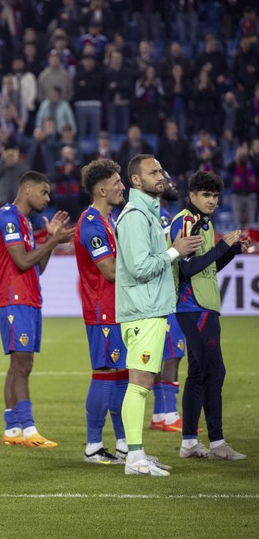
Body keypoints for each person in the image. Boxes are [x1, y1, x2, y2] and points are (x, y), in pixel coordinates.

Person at [114, 155, 202, 476]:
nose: (161, 176)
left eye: (161, 170)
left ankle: (137, 454)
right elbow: (139, 268)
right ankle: (134, 458)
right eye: (153, 172)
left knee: (143, 383)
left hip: (150, 309)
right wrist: (175, 250)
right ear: (136, 181)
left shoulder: (148, 214)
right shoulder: (135, 216)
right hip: (143, 310)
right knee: (138, 384)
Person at [169, 171, 252, 460]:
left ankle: (189, 443)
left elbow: (206, 268)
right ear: (192, 195)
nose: (212, 201)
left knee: (198, 374)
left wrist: (230, 253)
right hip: (194, 308)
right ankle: (217, 444)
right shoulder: (188, 221)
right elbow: (187, 269)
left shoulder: (202, 222)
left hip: (201, 306)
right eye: (206, 195)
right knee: (215, 372)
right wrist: (221, 246)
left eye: (215, 196)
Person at [0, 171, 75, 449]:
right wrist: (53, 241)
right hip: (15, 299)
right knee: (23, 364)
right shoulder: (8, 217)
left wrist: (49, 240)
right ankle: (29, 430)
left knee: (18, 366)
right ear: (27, 189)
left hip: (28, 298)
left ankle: (12, 430)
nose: (47, 198)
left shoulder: (24, 222)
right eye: (44, 192)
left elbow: (38, 267)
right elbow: (22, 261)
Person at [74, 159, 128, 464]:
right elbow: (108, 270)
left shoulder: (109, 220)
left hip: (116, 309)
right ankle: (93, 446)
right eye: (118, 182)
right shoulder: (92, 222)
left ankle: (122, 445)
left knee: (120, 375)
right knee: (105, 374)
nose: (122, 187)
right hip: (102, 311)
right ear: (102, 188)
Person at [151, 173, 188, 433]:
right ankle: (170, 414)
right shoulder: (162, 217)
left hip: (158, 295)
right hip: (166, 294)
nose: (174, 185)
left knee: (163, 354)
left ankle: (159, 414)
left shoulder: (159, 214)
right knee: (172, 354)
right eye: (168, 180)